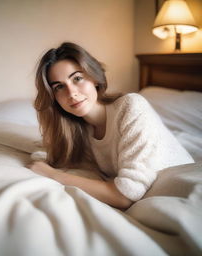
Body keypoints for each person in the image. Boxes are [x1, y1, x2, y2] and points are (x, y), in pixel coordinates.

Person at [27, 42, 194, 209]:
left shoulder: (131, 107)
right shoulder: (77, 128)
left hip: (181, 191)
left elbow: (124, 196)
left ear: (94, 78)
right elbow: (47, 155)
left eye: (77, 78)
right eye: (59, 87)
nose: (71, 94)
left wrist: (54, 176)